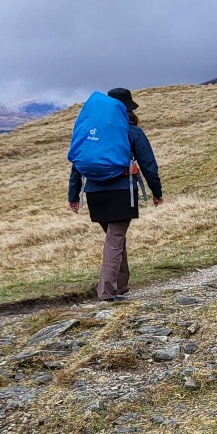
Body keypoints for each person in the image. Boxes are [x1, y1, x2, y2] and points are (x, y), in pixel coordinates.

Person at [67, 87, 162, 301]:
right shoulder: (132, 132)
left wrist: (73, 196)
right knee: (115, 240)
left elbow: (77, 165)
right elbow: (148, 165)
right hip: (122, 192)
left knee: (116, 239)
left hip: (94, 194)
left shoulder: (93, 132)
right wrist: (157, 192)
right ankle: (106, 292)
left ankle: (120, 285)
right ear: (129, 109)